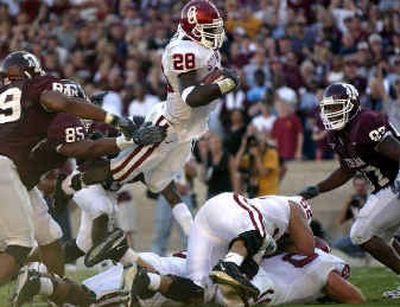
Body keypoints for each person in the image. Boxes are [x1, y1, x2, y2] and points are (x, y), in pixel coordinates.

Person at [58, 0, 240, 236]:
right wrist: (225, 84)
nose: (216, 34)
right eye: (210, 29)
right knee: (122, 170)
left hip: (190, 129)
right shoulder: (183, 51)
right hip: (172, 125)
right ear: (192, 29)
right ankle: (68, 186)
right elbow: (191, 97)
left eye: (217, 28)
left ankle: (192, 232)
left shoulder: (200, 46)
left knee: (158, 181)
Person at [0, 51, 165, 286]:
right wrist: (123, 131)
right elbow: (80, 147)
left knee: (51, 237)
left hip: (19, 178)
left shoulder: (14, 102)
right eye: (83, 105)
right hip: (7, 172)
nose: (85, 112)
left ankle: (57, 293)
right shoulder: (53, 107)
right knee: (19, 245)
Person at [13, 239, 365, 306]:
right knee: (200, 295)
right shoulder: (322, 263)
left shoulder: (259, 239)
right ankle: (139, 271)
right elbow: (354, 297)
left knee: (79, 298)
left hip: (173, 260)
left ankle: (42, 284)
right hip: (190, 281)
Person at [299, 82, 400, 299]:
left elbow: (395, 150)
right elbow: (346, 170)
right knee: (389, 236)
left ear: (352, 105)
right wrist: (317, 189)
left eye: (337, 107)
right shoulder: (337, 135)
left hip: (394, 183)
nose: (331, 113)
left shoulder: (365, 122)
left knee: (361, 232)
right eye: (328, 108)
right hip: (385, 188)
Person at [187, 192, 314, 300]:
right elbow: (307, 248)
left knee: (202, 290)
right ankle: (230, 264)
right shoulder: (294, 207)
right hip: (227, 206)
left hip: (208, 223)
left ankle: (167, 282)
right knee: (262, 238)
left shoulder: (271, 213)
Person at [333, 175, 368, 258]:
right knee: (336, 245)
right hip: (356, 235)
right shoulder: (353, 200)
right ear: (354, 186)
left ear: (367, 186)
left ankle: (362, 254)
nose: (360, 188)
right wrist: (347, 204)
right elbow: (340, 221)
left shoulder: (371, 199)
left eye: (362, 185)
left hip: (369, 234)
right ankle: (359, 255)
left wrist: (364, 206)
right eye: (357, 185)